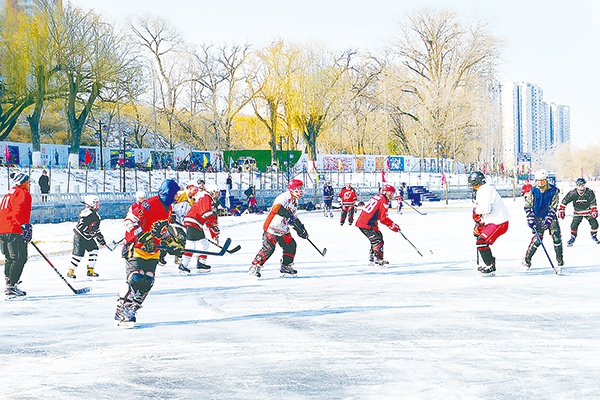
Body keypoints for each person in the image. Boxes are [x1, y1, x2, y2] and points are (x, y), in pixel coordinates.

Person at [114, 179, 183, 327]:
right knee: (136, 278)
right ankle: (122, 310)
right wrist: (142, 236)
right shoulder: (149, 204)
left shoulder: (169, 208)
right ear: (168, 193)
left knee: (148, 281)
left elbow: (161, 231)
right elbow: (130, 221)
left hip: (153, 250)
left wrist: (172, 243)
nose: (177, 196)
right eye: (175, 193)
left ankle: (132, 309)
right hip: (136, 246)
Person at [248, 179, 309, 278]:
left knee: (291, 245)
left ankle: (286, 266)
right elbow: (276, 209)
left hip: (283, 228)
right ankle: (255, 266)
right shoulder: (284, 197)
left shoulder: (295, 201)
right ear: (293, 189)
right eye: (299, 188)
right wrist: (287, 214)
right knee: (269, 249)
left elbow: (293, 217)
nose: (301, 191)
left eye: (301, 188)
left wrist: (301, 229)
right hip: (272, 227)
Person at [468, 171, 510, 276]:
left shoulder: (485, 190)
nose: (473, 187)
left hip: (499, 221)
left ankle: (490, 266)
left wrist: (477, 213)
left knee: (481, 241)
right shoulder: (481, 191)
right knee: (480, 240)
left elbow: (484, 209)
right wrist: (479, 224)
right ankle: (490, 264)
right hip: (492, 221)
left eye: (474, 184)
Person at [522, 169, 564, 272]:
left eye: (543, 180)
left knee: (556, 236)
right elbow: (527, 206)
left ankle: (559, 260)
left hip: (550, 216)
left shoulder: (554, 191)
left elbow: (554, 207)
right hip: (537, 216)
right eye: (539, 180)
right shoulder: (533, 191)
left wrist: (548, 218)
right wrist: (530, 217)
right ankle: (527, 260)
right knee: (537, 239)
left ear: (546, 180)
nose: (541, 182)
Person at [0, 172, 32, 299]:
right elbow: (18, 211)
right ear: (22, 182)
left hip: (3, 230)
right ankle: (11, 286)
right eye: (27, 182)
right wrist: (24, 226)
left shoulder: (9, 193)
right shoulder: (22, 193)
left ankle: (9, 282)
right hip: (14, 229)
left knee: (10, 258)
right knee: (20, 258)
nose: (29, 184)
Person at [179, 184, 221, 273]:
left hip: (195, 223)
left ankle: (201, 264)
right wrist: (213, 219)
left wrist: (212, 229)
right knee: (191, 245)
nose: (217, 195)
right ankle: (183, 265)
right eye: (216, 192)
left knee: (204, 243)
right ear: (212, 192)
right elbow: (206, 213)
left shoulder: (205, 198)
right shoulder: (206, 197)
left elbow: (206, 216)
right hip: (193, 222)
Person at [355, 184, 400, 267]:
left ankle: (372, 257)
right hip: (366, 223)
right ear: (386, 192)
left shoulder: (378, 196)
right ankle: (378, 259)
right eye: (391, 193)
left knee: (377, 236)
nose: (392, 196)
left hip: (366, 221)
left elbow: (376, 213)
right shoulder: (384, 201)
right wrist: (393, 225)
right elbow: (383, 219)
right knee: (377, 240)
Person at [67, 195, 106, 279]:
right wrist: (90, 231)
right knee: (78, 255)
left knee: (94, 250)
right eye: (96, 203)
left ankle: (90, 270)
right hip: (80, 237)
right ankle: (71, 270)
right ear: (91, 203)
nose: (97, 205)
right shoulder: (86, 213)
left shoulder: (97, 216)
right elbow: (81, 226)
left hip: (88, 237)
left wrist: (100, 237)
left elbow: (96, 229)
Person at [558, 177, 599, 246]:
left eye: (582, 184)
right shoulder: (573, 193)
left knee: (595, 224)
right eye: (579, 184)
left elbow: (593, 202)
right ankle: (573, 237)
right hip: (577, 212)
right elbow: (565, 201)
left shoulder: (589, 192)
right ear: (576, 185)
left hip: (588, 211)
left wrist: (594, 210)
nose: (581, 186)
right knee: (574, 225)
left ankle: (594, 235)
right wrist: (561, 210)